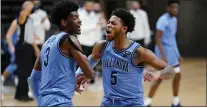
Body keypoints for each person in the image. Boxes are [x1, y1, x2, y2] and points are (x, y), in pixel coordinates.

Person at [76, 8, 176, 107]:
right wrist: (78, 77)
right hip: (108, 102)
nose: (109, 25)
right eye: (109, 22)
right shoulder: (101, 47)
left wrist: (158, 74)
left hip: (132, 103)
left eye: (114, 23)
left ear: (124, 29)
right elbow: (86, 66)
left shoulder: (138, 52)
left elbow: (171, 71)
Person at [27, 0, 95, 106]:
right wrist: (79, 79)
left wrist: (39, 100)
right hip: (61, 102)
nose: (80, 21)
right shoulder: (70, 39)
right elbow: (90, 73)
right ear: (64, 22)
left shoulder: (47, 43)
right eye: (75, 18)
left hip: (44, 102)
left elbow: (33, 79)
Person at [144, 0, 182, 107]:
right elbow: (157, 39)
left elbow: (172, 38)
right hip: (163, 52)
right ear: (168, 8)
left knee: (178, 76)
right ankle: (147, 102)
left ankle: (175, 102)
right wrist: (163, 56)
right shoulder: (162, 20)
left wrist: (177, 53)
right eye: (173, 7)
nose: (175, 9)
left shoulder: (174, 19)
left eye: (176, 8)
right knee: (160, 78)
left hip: (172, 53)